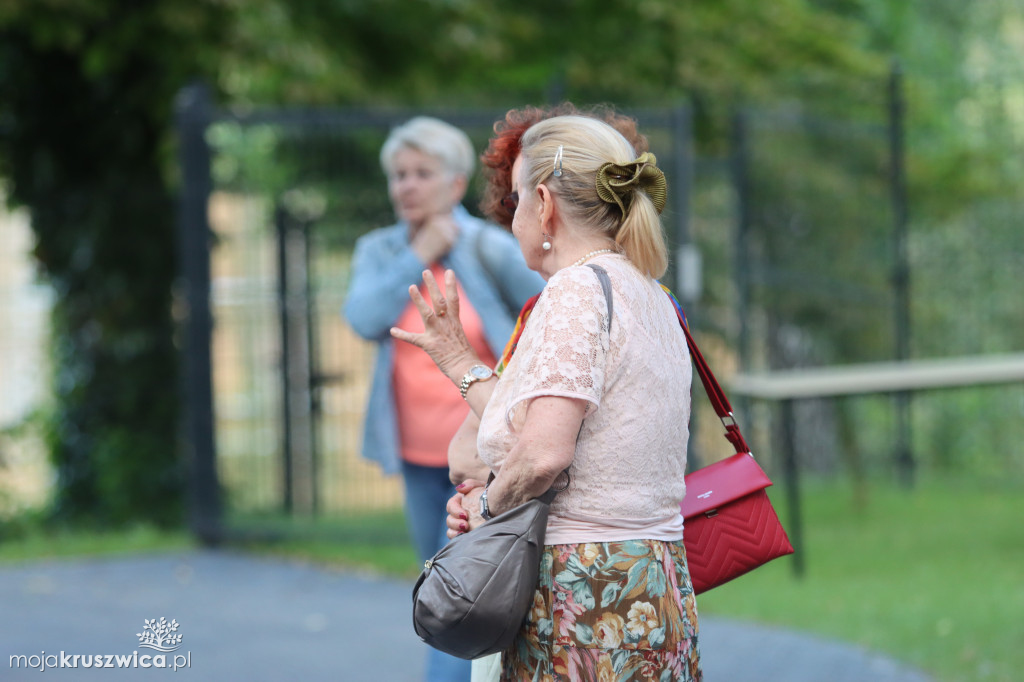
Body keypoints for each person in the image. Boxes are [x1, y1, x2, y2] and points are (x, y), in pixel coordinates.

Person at [391, 114, 702, 681]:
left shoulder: (576, 291)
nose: (512, 222)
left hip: (584, 588)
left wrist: (487, 509)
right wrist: (461, 363)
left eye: (515, 203)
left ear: (544, 202)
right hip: (654, 580)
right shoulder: (650, 292)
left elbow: (543, 454)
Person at [343, 116, 545, 682]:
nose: (406, 186)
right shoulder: (378, 249)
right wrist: (419, 253)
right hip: (413, 452)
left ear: (455, 184)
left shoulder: (489, 248)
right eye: (398, 175)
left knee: (454, 593)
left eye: (421, 174)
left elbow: (547, 318)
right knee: (445, 584)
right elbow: (363, 319)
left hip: (482, 460)